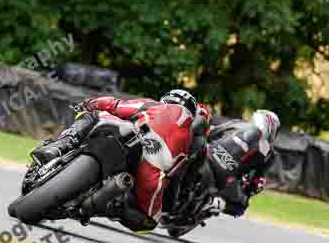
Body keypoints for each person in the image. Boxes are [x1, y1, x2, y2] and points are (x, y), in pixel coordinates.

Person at [30, 89, 204, 232]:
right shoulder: (189, 142)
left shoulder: (154, 105)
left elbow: (114, 105)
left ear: (166, 100)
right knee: (149, 222)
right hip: (149, 175)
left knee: (93, 115)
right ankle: (107, 206)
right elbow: (172, 177)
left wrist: (87, 103)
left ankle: (60, 145)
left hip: (128, 137)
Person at [199, 109, 280, 218]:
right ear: (272, 129)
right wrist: (251, 189)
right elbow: (256, 182)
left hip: (208, 154)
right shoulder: (269, 152)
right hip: (226, 175)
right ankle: (214, 202)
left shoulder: (237, 123)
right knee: (241, 206)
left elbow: (212, 132)